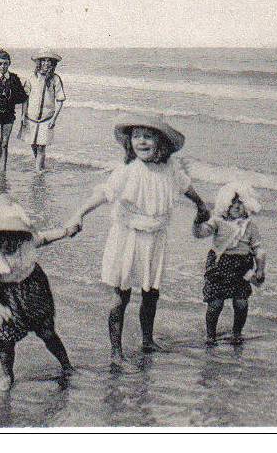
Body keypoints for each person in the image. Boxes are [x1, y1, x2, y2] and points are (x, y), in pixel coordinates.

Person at [67, 114, 209, 364]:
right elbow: (103, 194)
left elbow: (186, 187)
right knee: (120, 296)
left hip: (155, 238)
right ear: (129, 142)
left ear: (161, 142)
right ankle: (116, 352)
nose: (141, 142)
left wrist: (200, 205)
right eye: (135, 136)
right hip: (128, 236)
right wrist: (79, 214)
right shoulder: (127, 171)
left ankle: (147, 340)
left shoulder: (170, 169)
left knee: (151, 293)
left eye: (148, 136)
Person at [0, 194, 80, 391]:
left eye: (10, 239)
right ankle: (8, 375)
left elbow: (46, 237)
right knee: (5, 340)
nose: (5, 245)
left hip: (33, 288)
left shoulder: (28, 241)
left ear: (21, 236)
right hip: (5, 297)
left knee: (47, 332)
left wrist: (66, 231)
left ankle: (66, 365)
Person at [193, 182, 267, 345]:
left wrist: (260, 268)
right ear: (224, 204)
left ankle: (237, 333)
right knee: (215, 303)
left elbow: (258, 250)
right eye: (232, 202)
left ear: (247, 205)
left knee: (241, 303)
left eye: (240, 203)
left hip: (242, 268)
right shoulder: (217, 221)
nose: (236, 206)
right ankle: (210, 335)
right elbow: (200, 233)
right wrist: (198, 221)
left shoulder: (250, 226)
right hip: (219, 266)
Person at [19, 48, 66, 172]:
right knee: (33, 145)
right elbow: (25, 98)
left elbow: (60, 100)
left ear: (53, 63)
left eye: (49, 61)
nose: (46, 63)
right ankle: (40, 166)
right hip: (31, 118)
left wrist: (54, 119)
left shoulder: (55, 79)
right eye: (43, 60)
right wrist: (23, 115)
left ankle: (38, 172)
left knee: (41, 147)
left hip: (47, 119)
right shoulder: (31, 78)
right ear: (38, 62)